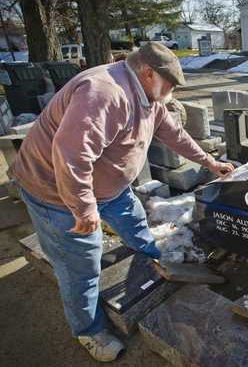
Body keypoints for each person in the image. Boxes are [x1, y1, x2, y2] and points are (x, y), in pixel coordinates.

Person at [9, 42, 234, 362]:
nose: (171, 91)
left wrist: (210, 162)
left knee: (135, 222)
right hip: (56, 193)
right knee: (81, 266)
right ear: (147, 72)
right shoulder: (103, 93)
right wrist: (84, 209)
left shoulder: (148, 95)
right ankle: (89, 330)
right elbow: (70, 155)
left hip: (109, 189)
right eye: (169, 83)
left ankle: (156, 262)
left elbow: (173, 134)